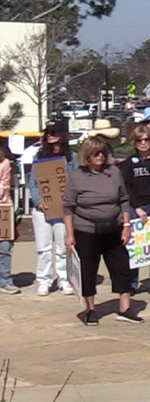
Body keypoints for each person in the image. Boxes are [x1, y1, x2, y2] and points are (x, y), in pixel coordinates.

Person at [63, 137, 142, 326]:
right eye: (96, 153)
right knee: (88, 270)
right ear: (86, 155)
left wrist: (126, 225)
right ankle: (90, 309)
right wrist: (70, 234)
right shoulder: (75, 176)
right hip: (86, 230)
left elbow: (124, 199)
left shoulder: (113, 172)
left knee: (122, 266)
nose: (100, 156)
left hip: (113, 228)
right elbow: (68, 207)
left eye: (103, 153)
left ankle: (125, 308)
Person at [29, 120, 77, 296]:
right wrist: (38, 201)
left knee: (64, 247)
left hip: (64, 210)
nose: (50, 135)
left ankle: (64, 279)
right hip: (43, 209)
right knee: (43, 247)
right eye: (48, 132)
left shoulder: (72, 158)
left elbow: (76, 182)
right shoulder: (39, 157)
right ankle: (44, 280)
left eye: (54, 132)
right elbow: (33, 184)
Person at [121, 125, 150, 295]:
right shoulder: (128, 162)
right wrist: (137, 208)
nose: (143, 143)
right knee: (136, 246)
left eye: (146, 139)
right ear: (134, 142)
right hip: (136, 206)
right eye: (140, 140)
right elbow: (126, 187)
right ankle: (132, 283)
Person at [0, 145, 18, 295]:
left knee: (4, 247)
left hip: (3, 207)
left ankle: (5, 281)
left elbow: (4, 185)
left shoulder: (4, 163)